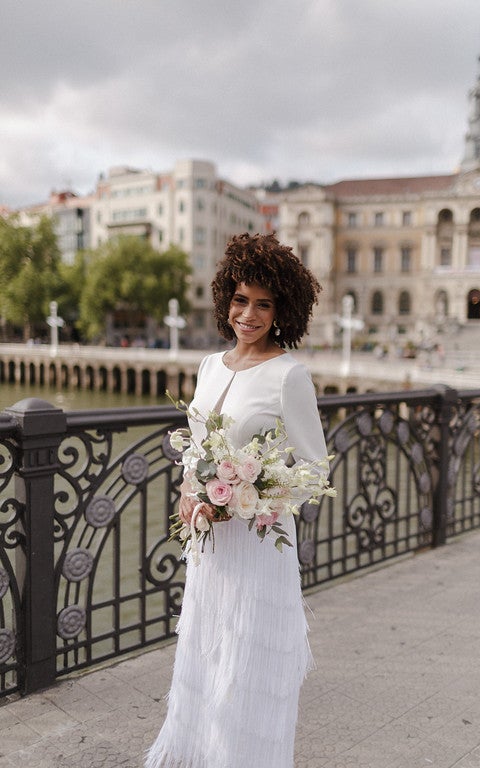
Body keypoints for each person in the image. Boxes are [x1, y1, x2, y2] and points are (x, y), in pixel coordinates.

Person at [145, 232, 328, 768]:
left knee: (248, 660)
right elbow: (197, 447)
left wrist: (249, 496)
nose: (248, 314)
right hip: (208, 542)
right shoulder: (209, 365)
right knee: (207, 649)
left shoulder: (289, 374)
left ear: (281, 311)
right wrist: (188, 490)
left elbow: (314, 469)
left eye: (263, 304)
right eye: (241, 299)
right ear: (227, 298)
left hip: (254, 541)